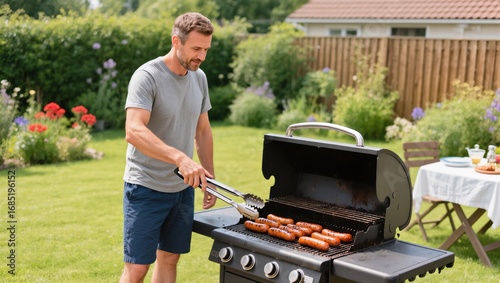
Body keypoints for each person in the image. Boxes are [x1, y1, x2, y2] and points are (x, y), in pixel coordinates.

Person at [120, 12, 216, 283]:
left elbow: (203, 130)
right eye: (196, 49)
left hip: (182, 190)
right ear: (177, 41)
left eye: (206, 49)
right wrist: (180, 158)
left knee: (170, 259)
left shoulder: (199, 78)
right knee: (137, 268)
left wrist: (208, 175)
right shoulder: (148, 76)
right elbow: (134, 130)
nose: (202, 56)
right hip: (146, 187)